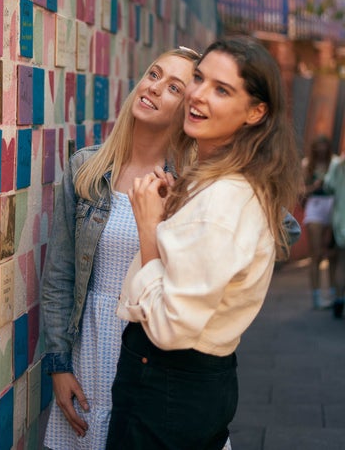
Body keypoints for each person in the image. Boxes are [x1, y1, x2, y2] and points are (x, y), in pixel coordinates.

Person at [105, 35, 303, 450]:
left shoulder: (224, 200)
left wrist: (149, 227)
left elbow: (169, 326)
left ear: (255, 112)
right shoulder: (214, 181)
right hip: (182, 385)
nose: (197, 95)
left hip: (169, 383)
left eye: (221, 90)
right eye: (199, 78)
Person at [41, 46, 202, 449]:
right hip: (91, 346)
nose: (154, 88)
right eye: (154, 74)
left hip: (154, 351)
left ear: (188, 111)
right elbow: (59, 275)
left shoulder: (191, 186)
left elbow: (280, 227)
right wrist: (59, 367)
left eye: (173, 88)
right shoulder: (87, 169)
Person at [301, 135, 337, 309]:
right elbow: (300, 192)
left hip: (333, 205)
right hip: (315, 205)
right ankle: (316, 296)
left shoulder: (336, 163)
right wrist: (314, 186)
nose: (321, 149)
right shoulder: (308, 164)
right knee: (315, 254)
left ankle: (333, 293)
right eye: (318, 146)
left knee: (331, 253)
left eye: (324, 145)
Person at [322, 151, 345, 318]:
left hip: (341, 221)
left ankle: (339, 299)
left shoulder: (338, 164)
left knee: (341, 264)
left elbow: (328, 186)